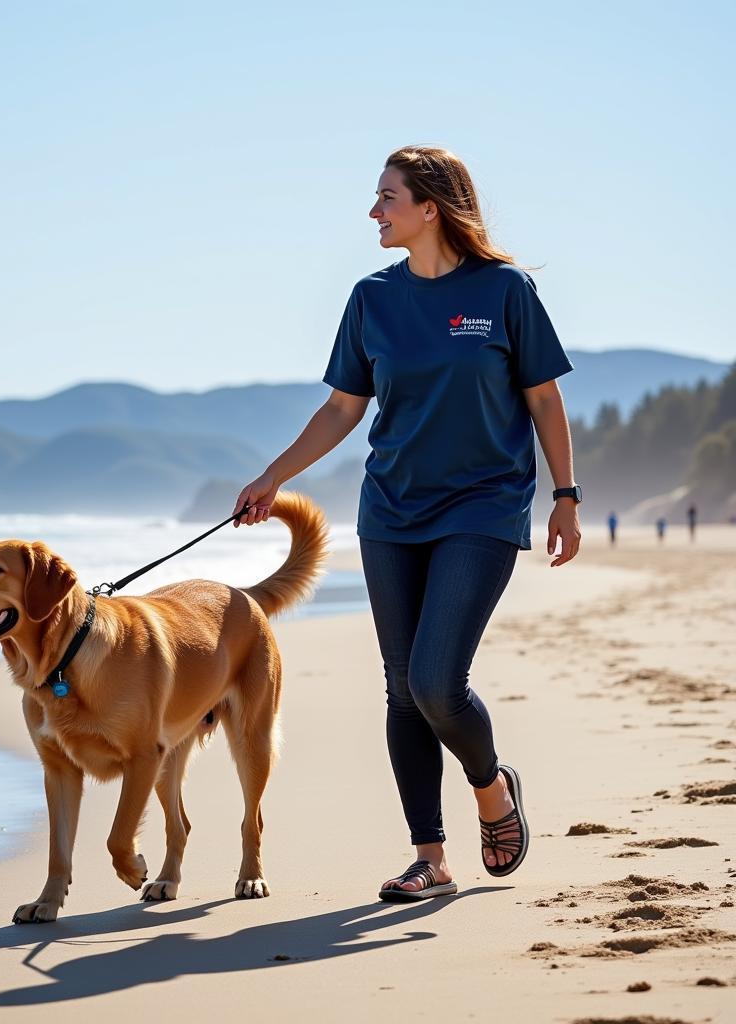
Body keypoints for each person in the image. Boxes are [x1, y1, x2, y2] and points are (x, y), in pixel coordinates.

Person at [233, 145, 581, 902]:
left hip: (483, 507)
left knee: (434, 679)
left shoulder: (503, 291)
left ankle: (491, 789)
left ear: (431, 208)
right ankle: (431, 857)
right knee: (401, 690)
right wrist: (273, 477)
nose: (374, 211)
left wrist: (566, 495)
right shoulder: (371, 298)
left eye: (387, 197)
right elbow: (341, 409)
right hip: (390, 512)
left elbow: (545, 399)